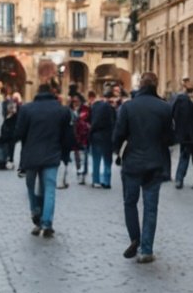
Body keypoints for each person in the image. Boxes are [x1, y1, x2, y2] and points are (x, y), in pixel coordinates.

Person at [113, 72, 176, 264]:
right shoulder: (165, 107)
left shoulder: (128, 107)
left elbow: (118, 135)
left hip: (132, 162)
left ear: (140, 85)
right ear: (156, 85)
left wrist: (118, 152)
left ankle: (135, 238)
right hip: (155, 163)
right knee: (150, 207)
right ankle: (146, 249)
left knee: (130, 203)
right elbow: (171, 138)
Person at [8, 79, 74, 238]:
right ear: (52, 93)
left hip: (29, 156)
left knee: (30, 187)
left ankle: (35, 212)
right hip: (52, 155)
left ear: (37, 93)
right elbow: (68, 138)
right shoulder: (62, 110)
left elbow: (19, 133)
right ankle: (46, 223)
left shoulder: (26, 109)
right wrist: (65, 156)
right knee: (50, 188)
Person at [172, 78, 193, 192]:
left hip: (184, 135)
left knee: (184, 157)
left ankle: (179, 179)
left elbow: (174, 116)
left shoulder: (179, 100)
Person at [87, 84, 119, 189]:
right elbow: (114, 124)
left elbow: (92, 122)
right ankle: (106, 181)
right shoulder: (111, 109)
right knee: (107, 161)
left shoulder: (95, 107)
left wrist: (90, 134)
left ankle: (96, 180)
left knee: (96, 160)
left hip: (96, 136)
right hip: (108, 137)